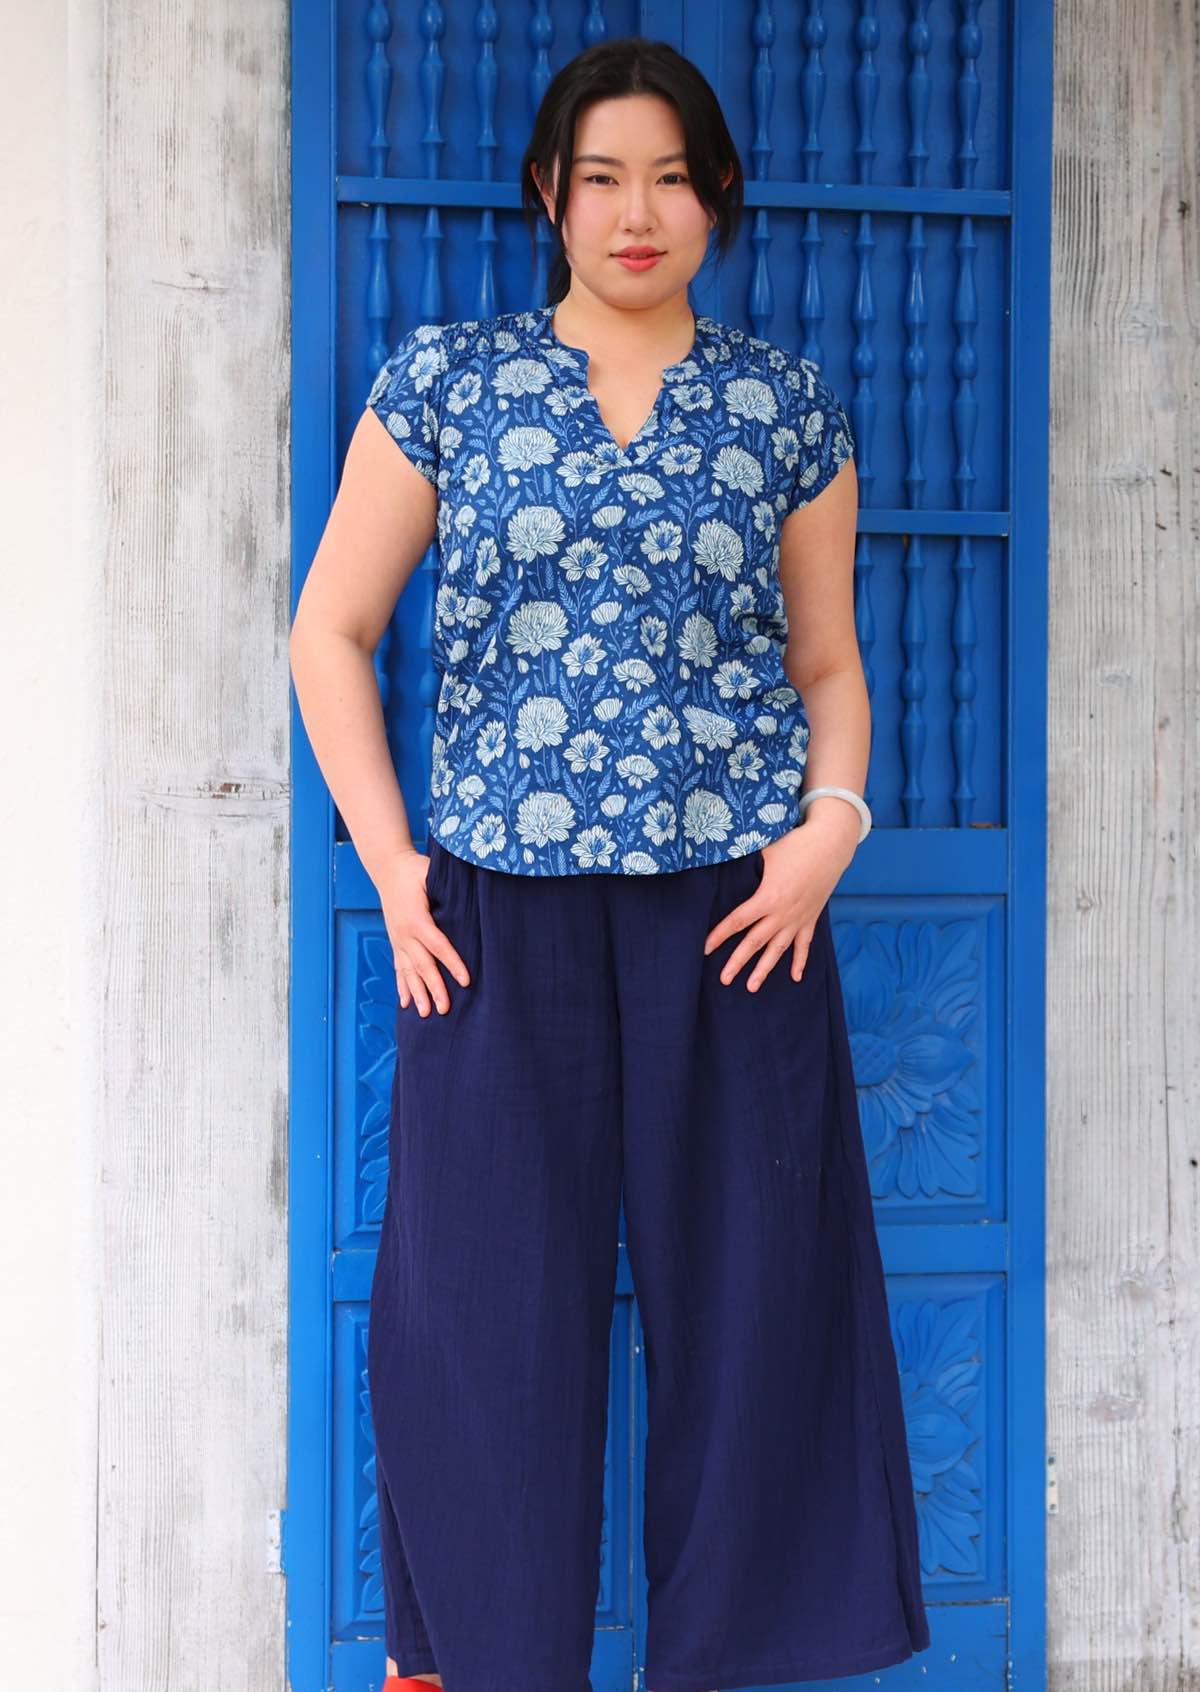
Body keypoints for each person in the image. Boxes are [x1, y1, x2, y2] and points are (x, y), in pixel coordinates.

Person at [290, 33, 931, 1692]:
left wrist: (827, 842)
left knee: (758, 1300)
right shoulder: (450, 383)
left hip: (739, 912)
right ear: (548, 197)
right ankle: (477, 1666)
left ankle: (726, 1661)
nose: (636, 212)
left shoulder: (783, 405)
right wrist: (394, 866)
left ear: (716, 194)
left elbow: (831, 670)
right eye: (601, 178)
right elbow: (331, 634)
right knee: (483, 1309)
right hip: (495, 917)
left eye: (670, 177)